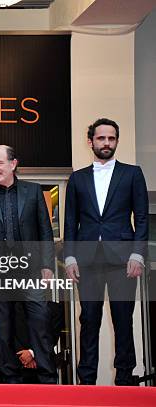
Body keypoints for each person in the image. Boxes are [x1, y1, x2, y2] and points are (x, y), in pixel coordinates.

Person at [64, 118, 148, 386]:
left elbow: (142, 218)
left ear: (116, 141)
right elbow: (70, 222)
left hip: (123, 259)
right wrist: (70, 256)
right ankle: (86, 383)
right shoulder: (77, 178)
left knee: (123, 320)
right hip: (87, 260)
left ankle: (125, 381)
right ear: (91, 142)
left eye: (111, 139)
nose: (107, 143)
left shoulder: (133, 174)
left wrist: (138, 254)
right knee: (88, 320)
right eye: (101, 138)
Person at [0, 145, 57, 384]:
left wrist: (48, 264)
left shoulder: (34, 192)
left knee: (39, 323)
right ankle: (11, 382)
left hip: (31, 271)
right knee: (3, 329)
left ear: (13, 164)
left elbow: (45, 231)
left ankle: (49, 379)